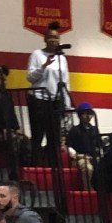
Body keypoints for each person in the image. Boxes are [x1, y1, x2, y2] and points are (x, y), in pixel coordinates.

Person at [26, 21, 70, 165]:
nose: (53, 40)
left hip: (55, 101)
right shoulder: (37, 55)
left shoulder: (62, 58)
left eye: (56, 38)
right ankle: (36, 166)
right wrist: (44, 66)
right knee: (38, 135)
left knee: (54, 137)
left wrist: (67, 105)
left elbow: (65, 82)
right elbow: (30, 77)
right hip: (38, 100)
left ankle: (53, 168)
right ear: (45, 39)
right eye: (50, 37)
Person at [65, 102, 103, 187]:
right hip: (80, 158)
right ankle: (89, 191)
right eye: (85, 114)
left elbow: (100, 145)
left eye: (90, 114)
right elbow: (69, 146)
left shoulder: (94, 129)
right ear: (80, 115)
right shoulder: (75, 130)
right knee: (88, 168)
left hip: (94, 157)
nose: (88, 116)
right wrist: (75, 155)